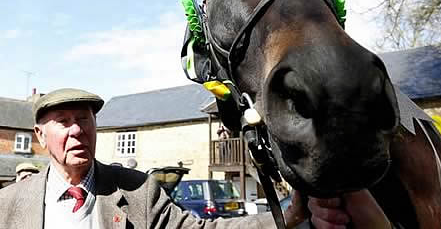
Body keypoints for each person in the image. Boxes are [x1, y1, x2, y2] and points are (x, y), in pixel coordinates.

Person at [0, 87, 372, 228]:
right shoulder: (9, 204)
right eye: (63, 123)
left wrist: (286, 217)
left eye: (84, 120)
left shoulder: (138, 191)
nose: (77, 130)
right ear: (39, 136)